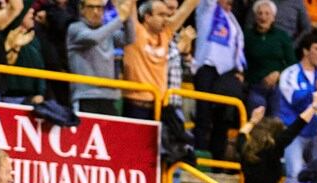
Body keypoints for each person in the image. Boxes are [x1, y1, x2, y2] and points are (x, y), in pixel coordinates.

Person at [276, 33, 317, 180]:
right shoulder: (290, 73)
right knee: (295, 174)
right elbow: (295, 99)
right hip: (294, 133)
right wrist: (316, 89)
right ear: (306, 51)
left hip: (314, 133)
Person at [121, 0, 199, 120]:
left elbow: (187, 7)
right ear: (147, 17)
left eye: (167, 15)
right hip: (136, 106)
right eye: (161, 15)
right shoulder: (135, 32)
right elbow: (128, 5)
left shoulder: (165, 34)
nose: (166, 19)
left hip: (160, 106)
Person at [192, 0, 246, 160]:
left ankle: (217, 158)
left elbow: (237, 47)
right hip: (206, 69)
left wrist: (239, 69)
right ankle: (199, 155)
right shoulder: (206, 10)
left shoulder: (232, 19)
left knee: (223, 119)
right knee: (203, 115)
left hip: (226, 74)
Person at [66, 0, 134, 116]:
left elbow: (129, 39)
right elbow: (94, 38)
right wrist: (120, 19)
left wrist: (127, 16)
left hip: (109, 97)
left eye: (100, 8)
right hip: (86, 97)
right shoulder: (75, 28)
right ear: (82, 9)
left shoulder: (108, 31)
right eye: (91, 7)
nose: (96, 12)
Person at [243, 0, 296, 113]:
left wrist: (279, 73)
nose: (263, 17)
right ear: (255, 17)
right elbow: (241, 59)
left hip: (277, 87)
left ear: (273, 17)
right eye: (260, 13)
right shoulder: (247, 35)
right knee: (257, 109)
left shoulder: (281, 36)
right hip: (255, 85)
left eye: (267, 14)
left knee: (276, 118)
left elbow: (292, 64)